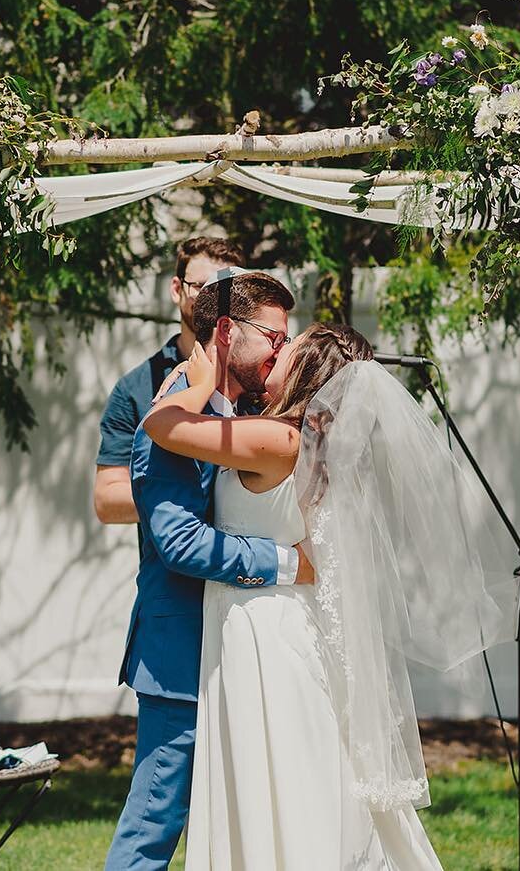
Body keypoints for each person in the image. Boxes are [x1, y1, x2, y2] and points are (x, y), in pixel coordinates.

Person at [142, 319, 518, 869]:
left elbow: (164, 426)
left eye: (288, 348)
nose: (277, 353)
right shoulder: (305, 440)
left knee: (286, 785)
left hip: (264, 631)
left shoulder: (279, 439)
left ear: (309, 370)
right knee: (293, 776)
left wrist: (195, 382)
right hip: (266, 616)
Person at [103, 269, 315, 871]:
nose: (281, 348)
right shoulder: (168, 419)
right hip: (180, 655)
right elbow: (179, 543)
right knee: (154, 826)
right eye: (272, 335)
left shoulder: (246, 413)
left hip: (246, 654)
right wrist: (285, 564)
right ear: (226, 332)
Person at [93, 236, 246, 527]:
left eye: (226, 290)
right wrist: (189, 490)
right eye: (202, 287)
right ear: (177, 289)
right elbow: (107, 500)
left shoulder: (259, 377)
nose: (214, 300)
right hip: (171, 569)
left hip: (246, 567)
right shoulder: (137, 387)